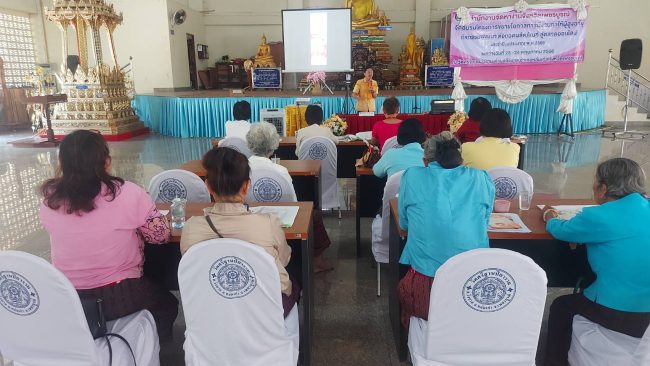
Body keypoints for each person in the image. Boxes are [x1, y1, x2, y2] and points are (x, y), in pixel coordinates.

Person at [39, 130, 178, 340]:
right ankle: (149, 351)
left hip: (70, 298)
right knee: (167, 305)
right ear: (106, 161)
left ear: (62, 163)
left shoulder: (50, 200)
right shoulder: (127, 193)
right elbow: (159, 236)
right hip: (121, 294)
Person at [542, 158, 650, 366]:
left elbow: (560, 230)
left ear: (603, 188)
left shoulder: (599, 216)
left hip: (622, 313)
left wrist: (549, 215)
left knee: (561, 307)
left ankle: (553, 362)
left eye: (595, 182)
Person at [180, 147, 298, 317]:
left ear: (208, 186)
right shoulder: (268, 224)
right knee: (294, 280)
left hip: (212, 305)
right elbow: (285, 259)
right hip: (265, 307)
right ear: (246, 186)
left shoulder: (191, 228)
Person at [397, 131, 495, 329]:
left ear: (426, 162)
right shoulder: (481, 177)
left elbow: (405, 224)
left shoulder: (412, 176)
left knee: (409, 293)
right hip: (473, 287)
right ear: (460, 159)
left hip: (426, 288)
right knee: (464, 317)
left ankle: (418, 341)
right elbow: (484, 222)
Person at [247, 122, 335, 272]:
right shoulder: (280, 171)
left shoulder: (241, 169)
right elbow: (293, 205)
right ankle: (316, 261)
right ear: (274, 144)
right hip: (281, 222)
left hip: (250, 219)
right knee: (314, 214)